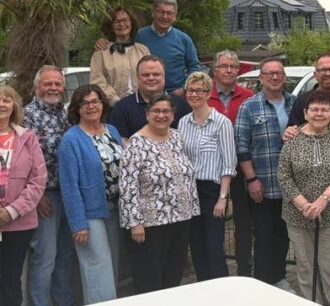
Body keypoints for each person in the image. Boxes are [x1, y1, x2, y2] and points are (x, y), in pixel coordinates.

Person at [277, 90, 330, 305]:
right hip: (298, 217)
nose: (319, 114)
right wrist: (304, 205)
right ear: (305, 113)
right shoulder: (292, 140)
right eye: (314, 109)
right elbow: (283, 175)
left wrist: (322, 200)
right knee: (305, 269)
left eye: (324, 109)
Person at [118, 94, 200, 294]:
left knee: (174, 275)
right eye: (156, 111)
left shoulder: (177, 137)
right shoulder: (136, 144)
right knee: (150, 279)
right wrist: (135, 223)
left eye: (166, 111)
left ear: (173, 114)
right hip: (150, 224)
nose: (161, 115)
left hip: (181, 218)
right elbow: (127, 186)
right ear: (147, 114)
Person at [58, 85, 123, 303]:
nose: (91, 106)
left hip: (115, 209)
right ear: (76, 108)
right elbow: (69, 185)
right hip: (90, 214)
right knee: (97, 269)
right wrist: (78, 224)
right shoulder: (71, 139)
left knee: (112, 265)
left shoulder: (112, 130)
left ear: (103, 104)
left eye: (95, 101)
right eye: (84, 103)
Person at [235, 58, 295, 290]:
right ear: (261, 78)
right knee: (263, 237)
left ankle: (279, 278)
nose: (275, 77)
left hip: (290, 187)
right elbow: (241, 146)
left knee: (283, 237)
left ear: (284, 77)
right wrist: (251, 179)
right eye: (269, 73)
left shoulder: (295, 103)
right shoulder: (249, 106)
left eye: (279, 73)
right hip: (262, 184)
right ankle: (262, 283)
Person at [25, 65, 76, 306]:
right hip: (45, 197)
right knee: (45, 256)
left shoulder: (65, 114)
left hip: (69, 194)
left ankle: (64, 301)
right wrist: (36, 197)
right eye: (48, 83)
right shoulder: (26, 116)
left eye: (58, 84)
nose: (53, 88)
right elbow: (22, 163)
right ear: (37, 87)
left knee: (66, 254)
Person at [178, 71, 236, 281]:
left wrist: (223, 197)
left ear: (208, 93)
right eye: (190, 90)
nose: (194, 94)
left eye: (199, 90)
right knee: (197, 246)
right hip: (190, 191)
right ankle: (203, 288)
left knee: (214, 247)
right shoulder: (183, 122)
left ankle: (221, 291)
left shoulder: (221, 122)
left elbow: (229, 163)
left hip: (213, 192)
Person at [208, 50, 254, 277]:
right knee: (215, 224)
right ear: (214, 70)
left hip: (241, 170)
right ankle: (218, 274)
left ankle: (244, 271)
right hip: (212, 173)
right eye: (224, 66)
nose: (229, 70)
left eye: (233, 67)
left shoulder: (249, 96)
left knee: (243, 224)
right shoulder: (203, 95)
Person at [0, 85, 47, 306]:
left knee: (10, 280)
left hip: (18, 224)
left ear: (14, 106)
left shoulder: (27, 138)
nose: (1, 104)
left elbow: (38, 179)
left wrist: (10, 212)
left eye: (6, 100)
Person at [97, 0, 201, 95]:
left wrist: (184, 88)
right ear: (153, 13)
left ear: (175, 16)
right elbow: (120, 44)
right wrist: (104, 42)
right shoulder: (138, 36)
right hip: (146, 95)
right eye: (161, 12)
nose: (165, 16)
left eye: (169, 13)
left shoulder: (184, 39)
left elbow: (194, 66)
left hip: (177, 94)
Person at [107, 55, 191, 140]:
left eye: (156, 74)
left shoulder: (181, 105)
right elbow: (120, 142)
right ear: (138, 77)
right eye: (146, 75)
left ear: (164, 76)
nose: (151, 78)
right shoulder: (122, 107)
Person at [89, 7, 150, 105]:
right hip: (112, 106)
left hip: (142, 105)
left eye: (125, 20)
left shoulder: (143, 50)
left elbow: (150, 76)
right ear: (110, 26)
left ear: (131, 23)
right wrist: (116, 101)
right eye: (116, 22)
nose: (121, 24)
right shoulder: (101, 53)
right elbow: (97, 82)